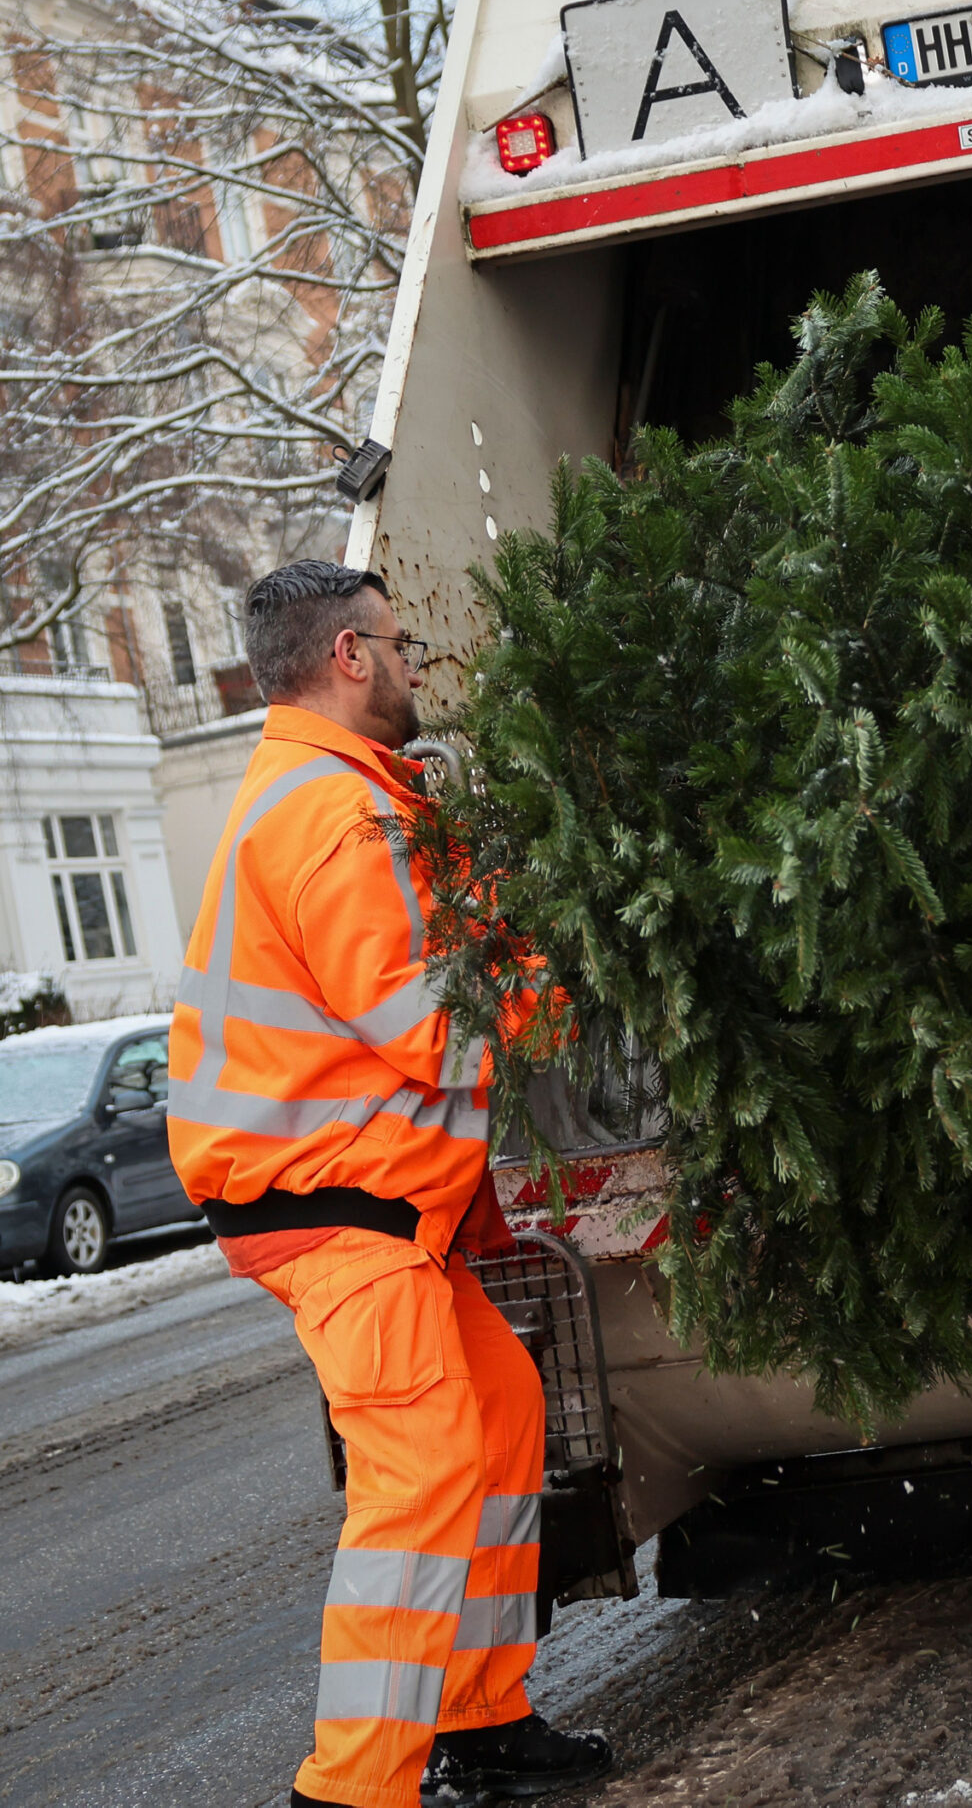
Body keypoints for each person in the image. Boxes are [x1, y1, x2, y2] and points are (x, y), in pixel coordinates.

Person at [167, 561, 612, 1805]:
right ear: (350, 658)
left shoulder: (356, 797)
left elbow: (450, 955)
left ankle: (479, 1716)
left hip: (356, 1201)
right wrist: (574, 984)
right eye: (402, 642)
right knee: (416, 1475)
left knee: (502, 1410)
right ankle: (351, 1789)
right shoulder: (332, 820)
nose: (418, 664)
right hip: (330, 1208)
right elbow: (439, 1024)